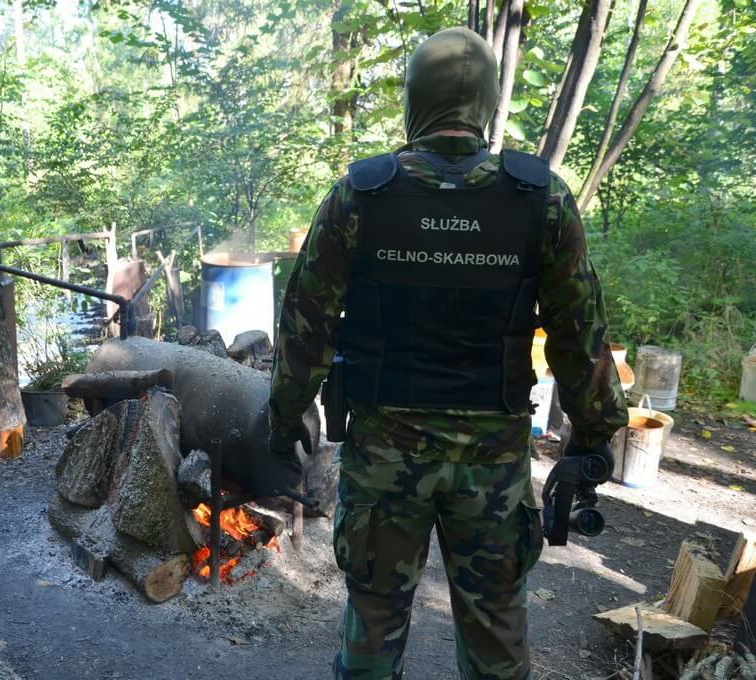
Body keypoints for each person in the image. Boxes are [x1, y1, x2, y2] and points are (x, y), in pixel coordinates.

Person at [268, 27, 629, 679]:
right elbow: (582, 336)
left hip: (383, 460)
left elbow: (306, 323)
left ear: (415, 101)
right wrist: (598, 431)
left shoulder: (362, 194)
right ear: (487, 104)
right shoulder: (539, 197)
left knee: (371, 631)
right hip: (491, 465)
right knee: (496, 641)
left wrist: (284, 413)